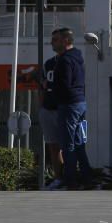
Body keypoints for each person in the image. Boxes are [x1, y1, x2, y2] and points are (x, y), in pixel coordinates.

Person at [50, 27, 93, 190]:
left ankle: (71, 181)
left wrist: (54, 93)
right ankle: (87, 178)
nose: (52, 43)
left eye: (55, 39)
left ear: (65, 41)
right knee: (79, 143)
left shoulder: (64, 60)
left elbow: (64, 84)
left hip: (69, 105)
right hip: (80, 103)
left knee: (68, 144)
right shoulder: (77, 57)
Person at [38, 56, 64, 189]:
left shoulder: (72, 61)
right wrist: (41, 108)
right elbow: (42, 87)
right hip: (48, 109)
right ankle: (58, 178)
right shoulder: (48, 63)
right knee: (53, 147)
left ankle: (70, 177)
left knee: (69, 146)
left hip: (65, 109)